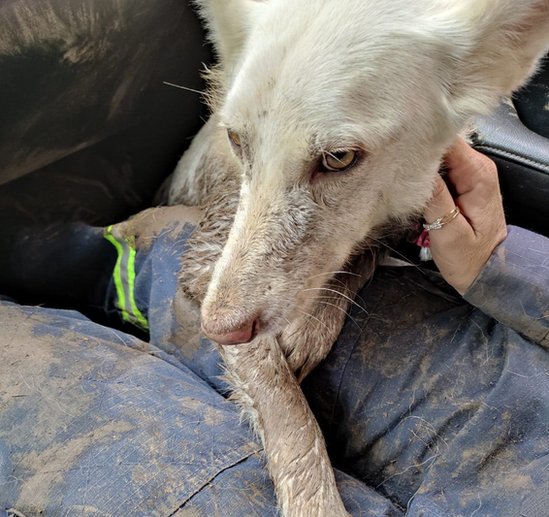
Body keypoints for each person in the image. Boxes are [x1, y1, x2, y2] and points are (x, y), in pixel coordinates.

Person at [0, 140, 547, 517]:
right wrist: (494, 268)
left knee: (44, 390)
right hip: (388, 319)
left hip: (219, 439)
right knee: (141, 258)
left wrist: (301, 478)